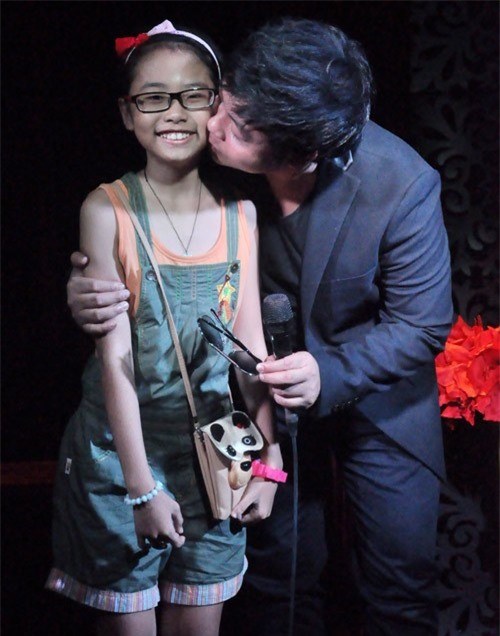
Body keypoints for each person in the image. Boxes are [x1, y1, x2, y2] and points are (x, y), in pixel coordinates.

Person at [66, 17, 453, 636]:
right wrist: (85, 286)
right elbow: (133, 237)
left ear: (303, 154)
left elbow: (421, 324)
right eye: (227, 102)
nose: (214, 125)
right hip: (255, 408)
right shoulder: (207, 152)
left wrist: (327, 373)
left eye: (242, 131)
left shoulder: (401, 184)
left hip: (377, 404)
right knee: (277, 583)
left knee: (398, 586)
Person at [46, 18, 282, 636]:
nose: (174, 112)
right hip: (121, 458)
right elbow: (115, 361)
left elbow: (249, 351)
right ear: (128, 114)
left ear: (217, 105)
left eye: (192, 95)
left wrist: (269, 458)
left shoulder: (241, 214)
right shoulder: (107, 209)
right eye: (153, 98)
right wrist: (142, 489)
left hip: (213, 456)